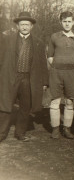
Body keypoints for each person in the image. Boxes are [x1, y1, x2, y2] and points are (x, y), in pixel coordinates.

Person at [0, 12, 48, 142]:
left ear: (31, 26)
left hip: (28, 78)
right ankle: (1, 133)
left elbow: (43, 63)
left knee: (25, 107)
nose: (24, 27)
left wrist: (45, 82)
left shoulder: (38, 43)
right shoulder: (7, 40)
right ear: (17, 26)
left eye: (27, 24)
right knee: (5, 104)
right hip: (11, 76)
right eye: (22, 24)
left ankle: (20, 133)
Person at [47, 11, 74, 139]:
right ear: (61, 22)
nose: (67, 24)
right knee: (55, 101)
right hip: (56, 72)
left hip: (71, 73)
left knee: (69, 102)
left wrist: (71, 66)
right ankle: (55, 129)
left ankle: (66, 129)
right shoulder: (54, 36)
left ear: (73, 22)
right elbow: (50, 55)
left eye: (69, 21)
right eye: (64, 21)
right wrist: (56, 65)